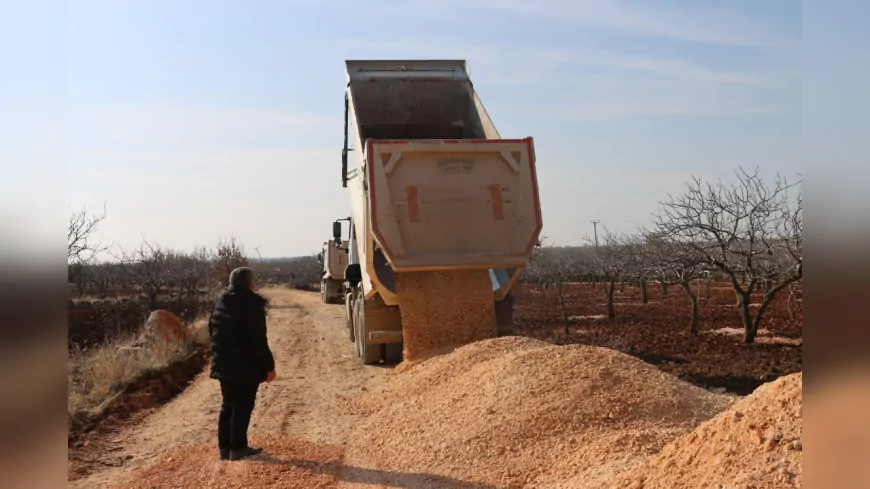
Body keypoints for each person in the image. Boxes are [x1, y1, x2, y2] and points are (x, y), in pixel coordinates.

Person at [208, 267, 276, 461]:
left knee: (228, 403)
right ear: (250, 284)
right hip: (246, 365)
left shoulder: (220, 301)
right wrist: (269, 367)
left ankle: (224, 448)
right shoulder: (252, 305)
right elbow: (258, 340)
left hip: (223, 362)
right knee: (243, 405)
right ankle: (238, 448)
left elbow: (211, 328)